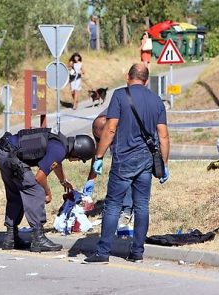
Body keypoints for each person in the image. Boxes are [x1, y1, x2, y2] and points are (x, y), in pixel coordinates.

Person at [84, 63, 170, 264]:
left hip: (123, 159)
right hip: (147, 161)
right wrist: (164, 164)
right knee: (142, 206)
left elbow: (110, 129)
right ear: (146, 80)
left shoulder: (120, 96)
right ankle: (137, 252)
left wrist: (98, 157)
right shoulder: (157, 101)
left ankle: (103, 252)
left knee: (113, 205)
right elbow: (163, 135)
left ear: (127, 77)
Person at [0, 128, 95, 252]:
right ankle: (38, 239)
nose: (77, 161)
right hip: (10, 155)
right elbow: (40, 177)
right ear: (77, 153)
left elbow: (56, 163)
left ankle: (10, 238)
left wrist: (63, 181)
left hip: (2, 150)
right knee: (35, 190)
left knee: (16, 193)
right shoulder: (59, 150)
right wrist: (48, 192)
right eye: (79, 159)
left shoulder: (60, 142)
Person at [82, 112, 133, 220]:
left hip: (133, 151)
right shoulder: (98, 124)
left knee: (124, 173)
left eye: (103, 138)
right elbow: (97, 153)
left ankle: (127, 209)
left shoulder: (123, 127)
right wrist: (90, 181)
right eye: (98, 137)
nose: (102, 142)